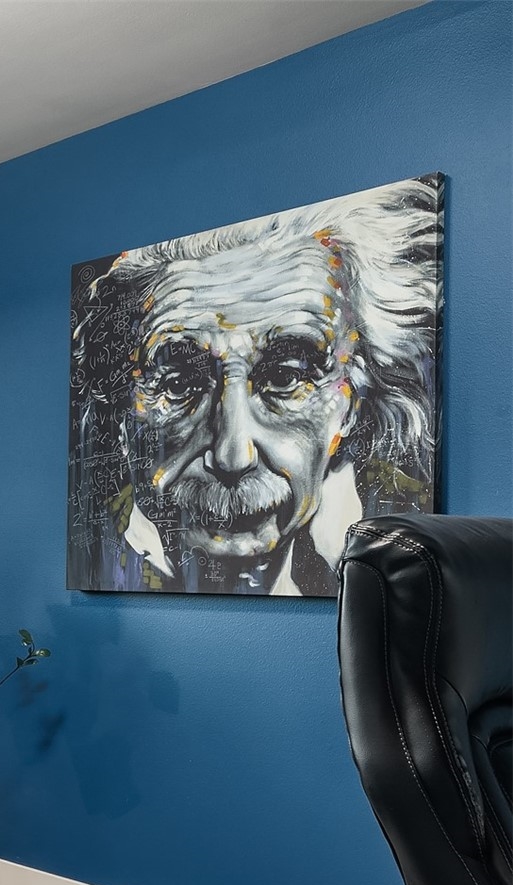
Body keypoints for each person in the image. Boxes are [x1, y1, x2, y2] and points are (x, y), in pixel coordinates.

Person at [69, 174, 440, 596]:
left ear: (352, 402)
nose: (232, 455)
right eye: (177, 384)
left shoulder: (383, 574)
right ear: (119, 409)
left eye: (285, 378)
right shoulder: (95, 561)